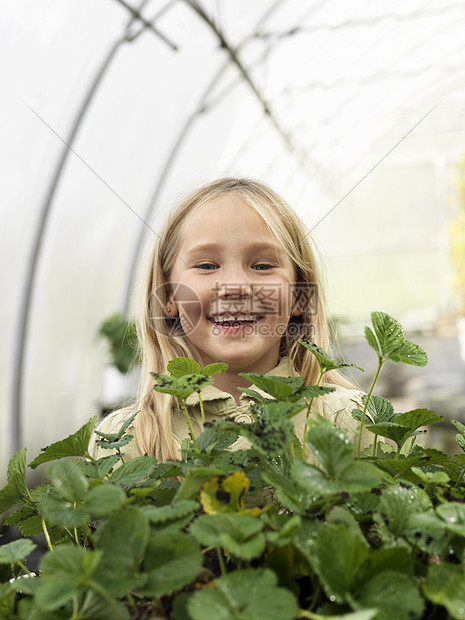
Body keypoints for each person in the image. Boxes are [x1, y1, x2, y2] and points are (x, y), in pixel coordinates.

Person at [89, 177, 370, 462]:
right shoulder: (125, 440)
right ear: (168, 297)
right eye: (207, 265)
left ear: (299, 296)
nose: (234, 286)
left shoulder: (349, 420)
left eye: (262, 265)